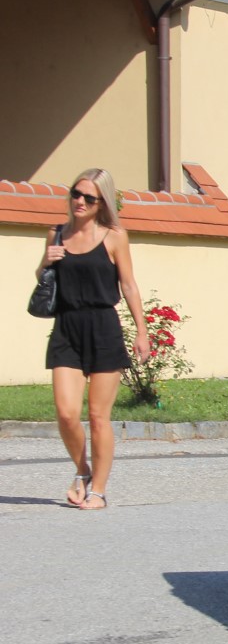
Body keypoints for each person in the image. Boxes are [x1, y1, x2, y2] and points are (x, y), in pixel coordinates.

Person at [37, 168, 149, 509]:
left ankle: (98, 490)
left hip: (103, 327)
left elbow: (128, 284)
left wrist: (142, 331)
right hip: (66, 328)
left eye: (89, 197)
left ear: (102, 203)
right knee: (66, 413)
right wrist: (46, 260)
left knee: (99, 417)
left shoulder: (115, 236)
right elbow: (43, 278)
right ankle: (83, 470)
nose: (80, 202)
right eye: (76, 193)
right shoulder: (56, 234)